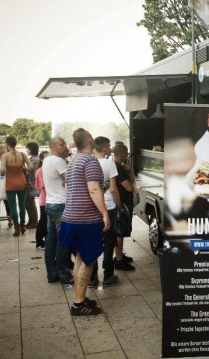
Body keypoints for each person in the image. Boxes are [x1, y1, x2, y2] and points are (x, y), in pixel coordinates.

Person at [59, 128, 109, 315]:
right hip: (86, 219)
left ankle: (79, 297)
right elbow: (94, 189)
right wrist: (104, 213)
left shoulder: (73, 162)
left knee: (80, 258)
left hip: (71, 217)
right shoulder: (90, 161)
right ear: (89, 139)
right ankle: (79, 304)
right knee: (88, 261)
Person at [89, 137, 120, 288]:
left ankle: (92, 277)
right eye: (108, 146)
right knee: (108, 243)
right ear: (104, 148)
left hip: (93, 207)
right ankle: (108, 275)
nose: (110, 148)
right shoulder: (109, 163)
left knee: (93, 242)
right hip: (108, 206)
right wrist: (119, 205)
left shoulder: (88, 162)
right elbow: (113, 189)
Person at [42, 138, 72, 284]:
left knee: (51, 241)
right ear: (53, 147)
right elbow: (71, 179)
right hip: (60, 205)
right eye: (61, 145)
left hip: (50, 203)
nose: (65, 147)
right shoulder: (59, 161)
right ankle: (64, 274)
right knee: (63, 241)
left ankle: (51, 274)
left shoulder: (47, 160)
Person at [1, 136, 33, 237]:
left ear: (6, 144)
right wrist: (22, 171)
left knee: (13, 206)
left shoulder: (5, 155)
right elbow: (31, 167)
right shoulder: (22, 154)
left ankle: (17, 228)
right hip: (21, 181)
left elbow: (2, 170)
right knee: (22, 205)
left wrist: (6, 171)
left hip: (10, 182)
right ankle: (23, 226)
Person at [112, 143, 136, 271]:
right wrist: (130, 175)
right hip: (123, 204)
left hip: (120, 203)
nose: (127, 154)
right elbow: (128, 187)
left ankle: (119, 255)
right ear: (121, 153)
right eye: (126, 152)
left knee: (121, 231)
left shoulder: (116, 166)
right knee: (120, 232)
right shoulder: (119, 169)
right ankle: (119, 259)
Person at [34, 150, 49, 249]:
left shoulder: (49, 169)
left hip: (50, 199)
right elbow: (43, 187)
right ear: (41, 159)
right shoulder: (40, 171)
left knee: (47, 222)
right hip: (45, 200)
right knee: (43, 221)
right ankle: (39, 241)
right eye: (46, 158)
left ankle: (47, 240)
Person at [24, 142, 40, 229]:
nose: (26, 150)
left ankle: (34, 221)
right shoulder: (31, 159)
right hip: (30, 182)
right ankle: (31, 220)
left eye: (27, 148)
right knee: (27, 202)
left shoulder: (36, 160)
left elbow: (31, 171)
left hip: (32, 183)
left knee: (29, 202)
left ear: (31, 149)